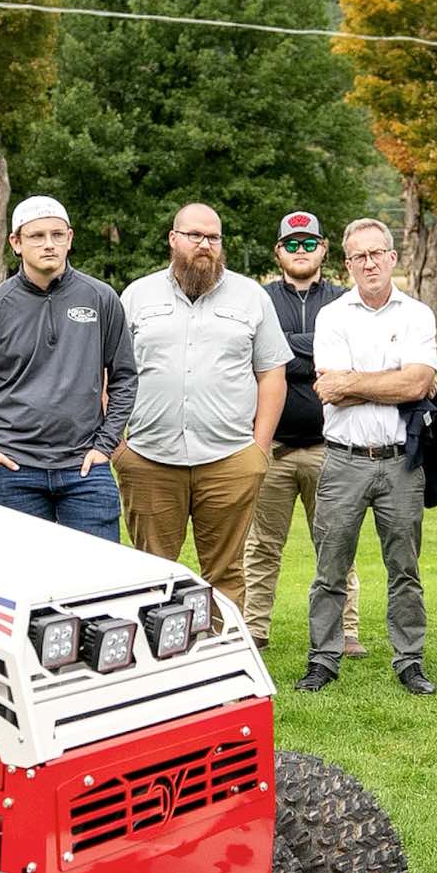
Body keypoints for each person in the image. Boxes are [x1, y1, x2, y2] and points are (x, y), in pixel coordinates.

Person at [116, 204, 289, 609]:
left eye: (213, 237)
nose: (204, 245)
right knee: (151, 572)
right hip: (149, 459)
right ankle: (157, 660)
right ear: (173, 239)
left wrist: (258, 449)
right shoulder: (136, 296)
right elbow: (110, 373)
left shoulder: (251, 297)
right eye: (194, 235)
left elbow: (272, 374)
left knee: (226, 572)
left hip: (229, 459)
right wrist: (117, 446)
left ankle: (223, 657)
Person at [296, 219, 437, 696]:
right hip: (343, 460)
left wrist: (354, 382)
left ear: (393, 257)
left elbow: (419, 383)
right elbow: (328, 391)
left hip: (401, 461)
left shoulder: (416, 314)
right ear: (348, 264)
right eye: (359, 256)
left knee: (405, 568)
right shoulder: (334, 316)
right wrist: (388, 383)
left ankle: (409, 661)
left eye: (377, 253)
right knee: (330, 567)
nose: (370, 263)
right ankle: (323, 659)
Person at [0, 195, 134, 538]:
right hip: (15, 470)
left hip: (85, 467)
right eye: (36, 236)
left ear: (70, 238)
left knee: (101, 577)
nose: (49, 244)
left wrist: (105, 444)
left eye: (57, 234)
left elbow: (124, 377)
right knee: (24, 581)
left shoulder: (101, 298)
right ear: (16, 243)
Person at [242, 213, 361, 654]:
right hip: (270, 444)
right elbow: (259, 360)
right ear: (278, 252)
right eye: (291, 245)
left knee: (336, 543)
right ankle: (254, 628)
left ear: (324, 248)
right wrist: (309, 351)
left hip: (329, 447)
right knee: (261, 547)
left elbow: (344, 362)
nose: (300, 252)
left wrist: (288, 347)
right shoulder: (260, 299)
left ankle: (345, 631)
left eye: (308, 243)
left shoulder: (344, 301)